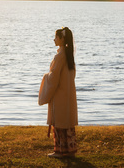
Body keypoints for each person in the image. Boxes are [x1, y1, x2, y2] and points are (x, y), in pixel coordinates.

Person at [38, 26, 78, 158]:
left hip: (60, 94)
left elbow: (53, 77)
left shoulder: (60, 56)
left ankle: (60, 151)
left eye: (56, 37)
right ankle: (69, 150)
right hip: (67, 93)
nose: (54, 39)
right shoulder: (68, 55)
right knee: (66, 121)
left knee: (60, 122)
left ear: (61, 39)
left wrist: (45, 77)